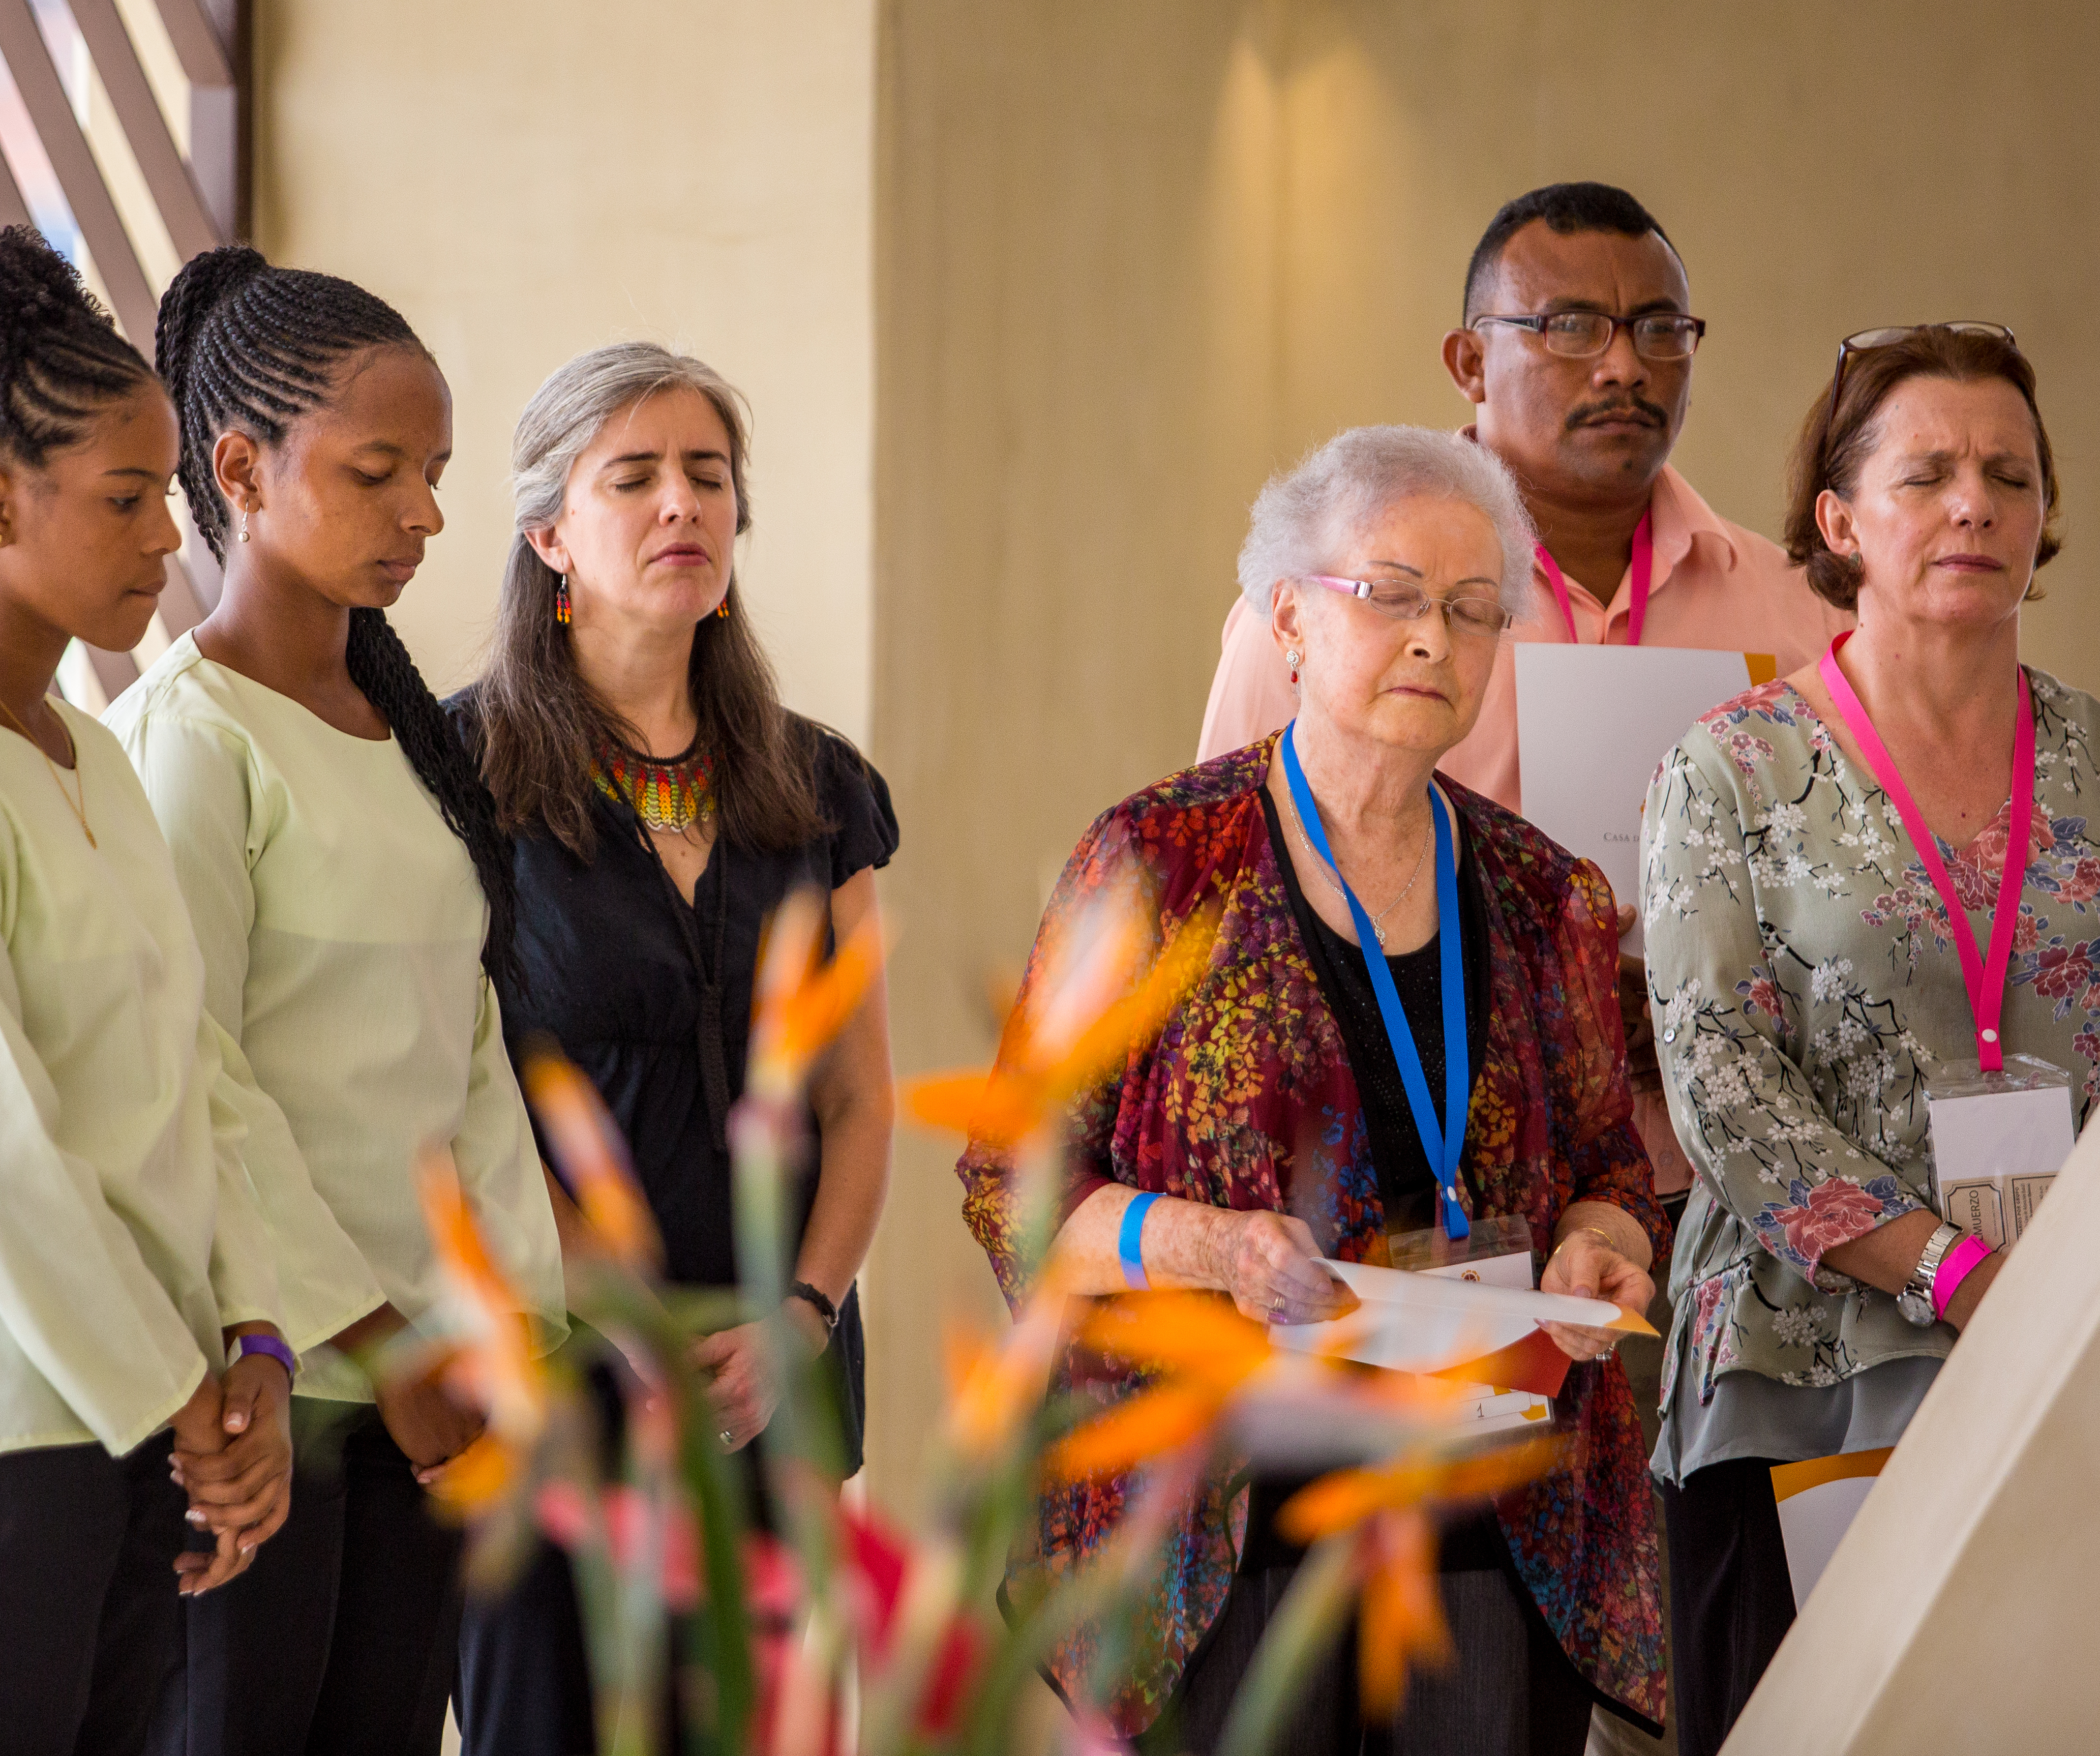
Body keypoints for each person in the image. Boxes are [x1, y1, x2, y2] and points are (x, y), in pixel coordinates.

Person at [963, 425, 1671, 1754]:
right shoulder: (1155, 861)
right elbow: (1012, 1176)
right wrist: (1202, 1243)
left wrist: (1598, 1256)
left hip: (1483, 1509)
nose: (1432, 640)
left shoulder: (1543, 893)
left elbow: (1606, 1174)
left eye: (1471, 611)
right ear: (1285, 614)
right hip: (1218, 1525)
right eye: (1389, 593)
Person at [1637, 324, 2100, 1755]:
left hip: (2071, 1361)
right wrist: (1952, 1271)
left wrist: (2073, 1282)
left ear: (2041, 522)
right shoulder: (1727, 769)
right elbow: (1716, 1082)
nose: (1972, 504)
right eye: (1926, 474)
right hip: (1798, 1369)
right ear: (1836, 523)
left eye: (2006, 475)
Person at [0, 227, 297, 1755]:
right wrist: (181, 1407)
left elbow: (200, 1076)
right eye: (130, 496)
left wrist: (259, 1353)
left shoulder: (83, 754)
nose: (171, 536)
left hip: (133, 1416)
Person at [103, 249, 569, 1756]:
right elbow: (192, 1080)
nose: (427, 513)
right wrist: (377, 1338)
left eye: (431, 472)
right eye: (379, 472)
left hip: (435, 1386)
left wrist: (507, 1329)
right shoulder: (190, 742)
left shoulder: (410, 743)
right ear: (238, 468)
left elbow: (469, 1051)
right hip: (270, 1387)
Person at [1196, 180, 1844, 1215]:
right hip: (1418, 1179)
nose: (1626, 364)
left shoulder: (1796, 617)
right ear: (1469, 363)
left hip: (1729, 1192)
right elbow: (1230, 893)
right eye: (1571, 327)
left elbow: (1851, 901)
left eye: (1661, 329)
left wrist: (1710, 988)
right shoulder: (1328, 606)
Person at [450, 342, 898, 1754]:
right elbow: (446, 1108)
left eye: (705, 474)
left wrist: (804, 1315)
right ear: (548, 533)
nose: (678, 505)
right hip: (560, 1370)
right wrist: (622, 1319)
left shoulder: (814, 780)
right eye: (630, 477)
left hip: (782, 1358)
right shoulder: (458, 773)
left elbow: (859, 1095)